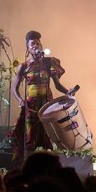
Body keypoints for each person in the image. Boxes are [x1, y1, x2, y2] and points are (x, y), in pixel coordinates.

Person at [11, 30, 73, 169]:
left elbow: (57, 85)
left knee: (49, 136)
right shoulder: (24, 66)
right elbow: (14, 88)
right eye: (32, 44)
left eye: (38, 43)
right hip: (31, 105)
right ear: (27, 47)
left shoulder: (48, 63)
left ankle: (49, 168)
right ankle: (27, 169)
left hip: (47, 105)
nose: (36, 46)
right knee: (30, 138)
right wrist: (20, 100)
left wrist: (68, 91)